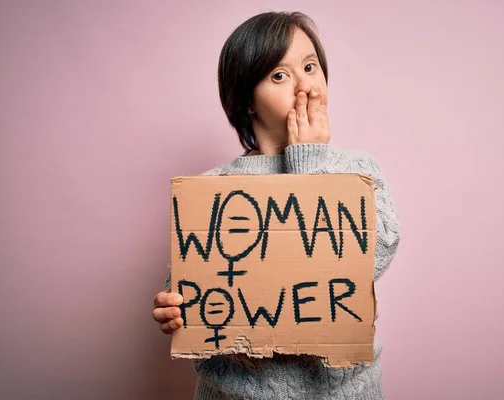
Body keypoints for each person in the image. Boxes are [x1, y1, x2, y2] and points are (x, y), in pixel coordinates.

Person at [152, 11, 400, 399]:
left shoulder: (358, 170)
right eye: (280, 75)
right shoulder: (213, 190)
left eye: (310, 66)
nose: (305, 85)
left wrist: (310, 163)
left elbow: (371, 257)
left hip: (342, 392)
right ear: (248, 101)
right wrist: (173, 307)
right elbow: (193, 290)